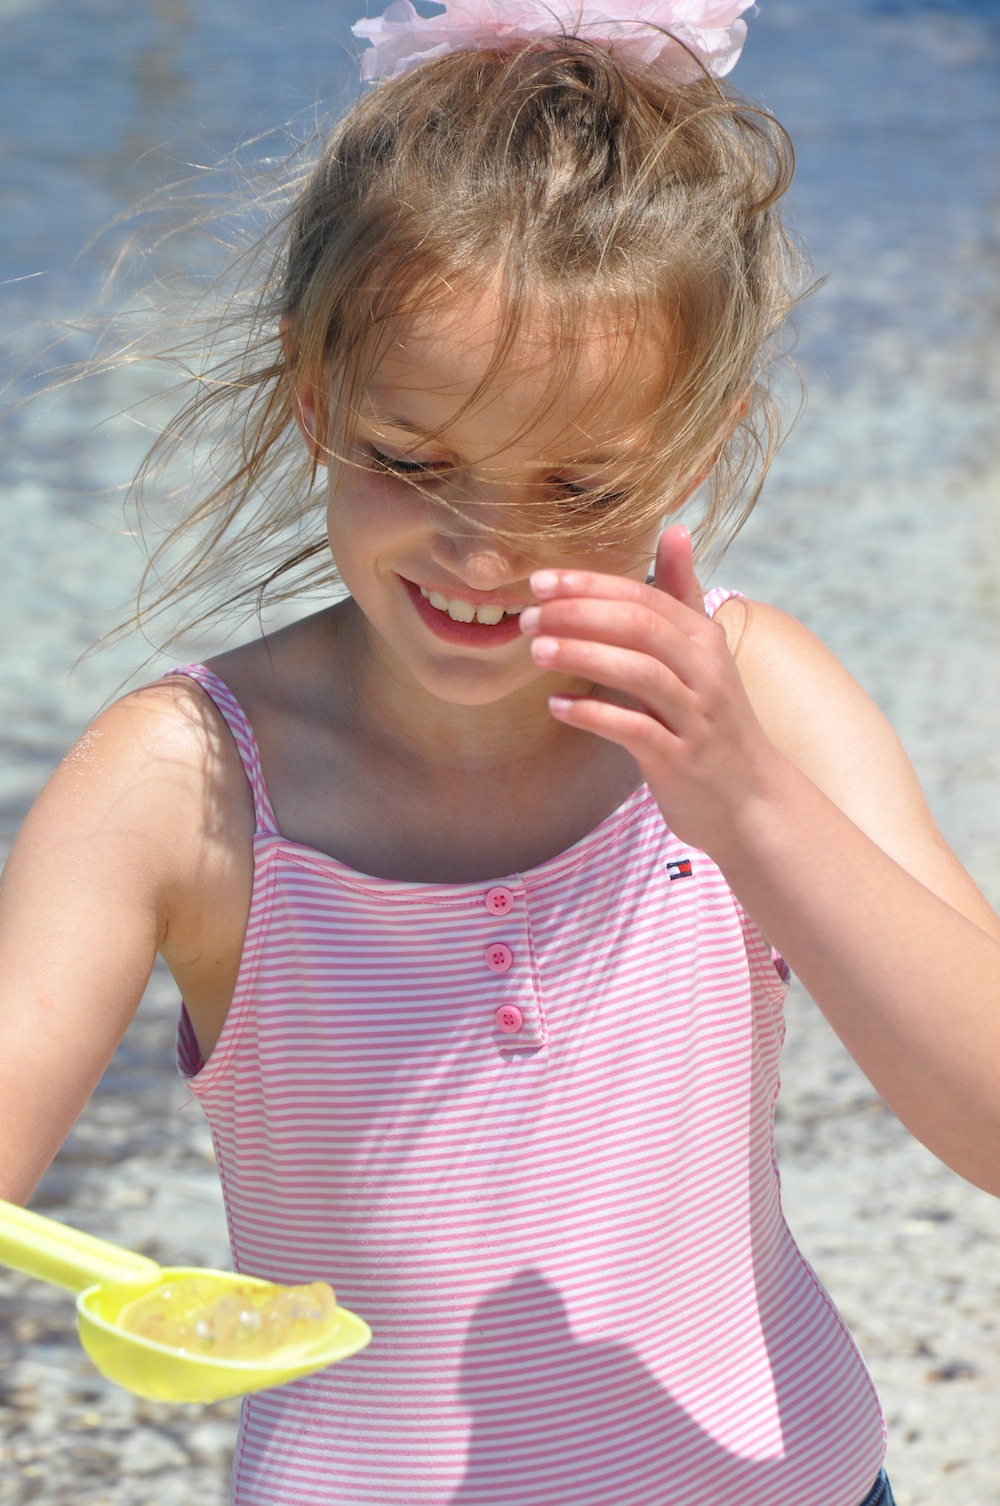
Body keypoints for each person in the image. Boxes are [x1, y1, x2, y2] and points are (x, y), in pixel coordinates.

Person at [1, 1, 998, 1502]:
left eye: (576, 483)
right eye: (415, 460)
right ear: (317, 390)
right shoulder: (187, 787)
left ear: (697, 449)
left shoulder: (760, 697)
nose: (486, 550)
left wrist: (748, 810)